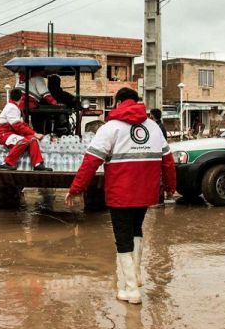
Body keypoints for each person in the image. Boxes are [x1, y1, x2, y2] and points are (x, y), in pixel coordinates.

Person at [64, 87, 176, 305]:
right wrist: (171, 187)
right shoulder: (153, 127)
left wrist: (76, 188)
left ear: (118, 103)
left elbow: (90, 162)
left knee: (122, 237)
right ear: (136, 102)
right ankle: (136, 276)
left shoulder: (110, 128)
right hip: (145, 192)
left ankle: (131, 290)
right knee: (136, 230)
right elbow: (168, 161)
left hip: (121, 193)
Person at [0, 88, 52, 171]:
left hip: (9, 134)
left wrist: (33, 134)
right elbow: (18, 126)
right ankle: (6, 163)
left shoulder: (14, 107)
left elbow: (22, 124)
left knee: (32, 139)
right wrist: (35, 133)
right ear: (21, 98)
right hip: (4, 135)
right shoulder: (11, 107)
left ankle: (38, 164)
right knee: (24, 141)